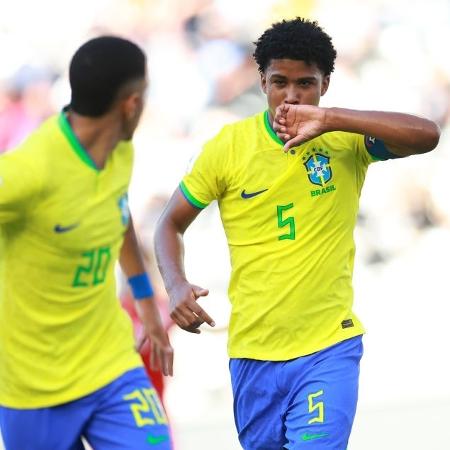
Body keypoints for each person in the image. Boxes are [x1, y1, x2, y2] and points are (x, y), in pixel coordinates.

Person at [154, 18, 440, 450]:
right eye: (279, 82)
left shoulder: (347, 140)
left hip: (329, 347)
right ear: (262, 81)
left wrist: (332, 119)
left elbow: (427, 135)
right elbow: (169, 224)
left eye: (305, 83)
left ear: (325, 83)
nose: (291, 96)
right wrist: (175, 284)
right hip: (254, 355)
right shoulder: (228, 147)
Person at [0, 36, 173, 450]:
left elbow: (117, 214)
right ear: (131, 104)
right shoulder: (31, 170)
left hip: (109, 363)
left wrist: (146, 300)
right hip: (34, 386)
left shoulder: (121, 151)